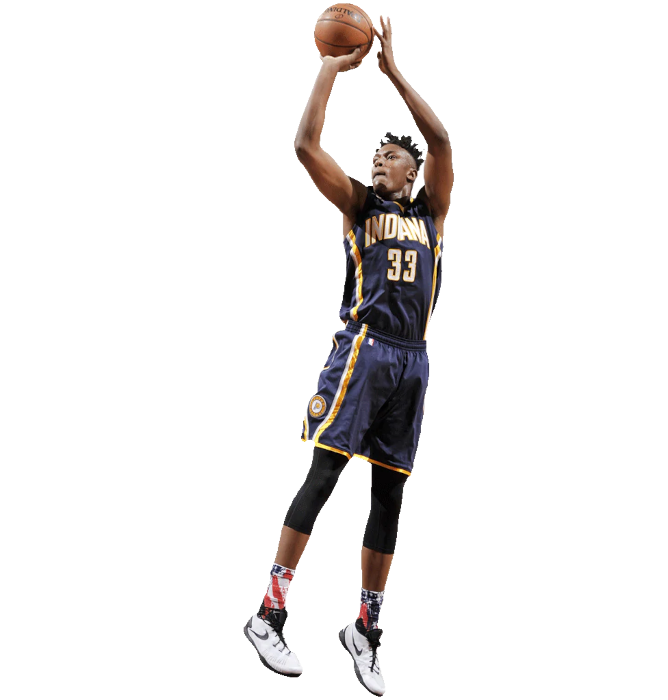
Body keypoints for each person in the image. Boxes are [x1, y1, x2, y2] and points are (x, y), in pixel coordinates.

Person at [243, 15, 453, 696]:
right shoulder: (359, 206)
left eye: (389, 157)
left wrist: (393, 72)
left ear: (413, 173)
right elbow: (305, 145)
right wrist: (331, 68)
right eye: (374, 157)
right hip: (363, 350)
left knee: (390, 494)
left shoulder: (432, 215)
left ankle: (366, 627)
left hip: (413, 362)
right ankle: (269, 613)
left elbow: (441, 140)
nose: (377, 162)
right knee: (326, 473)